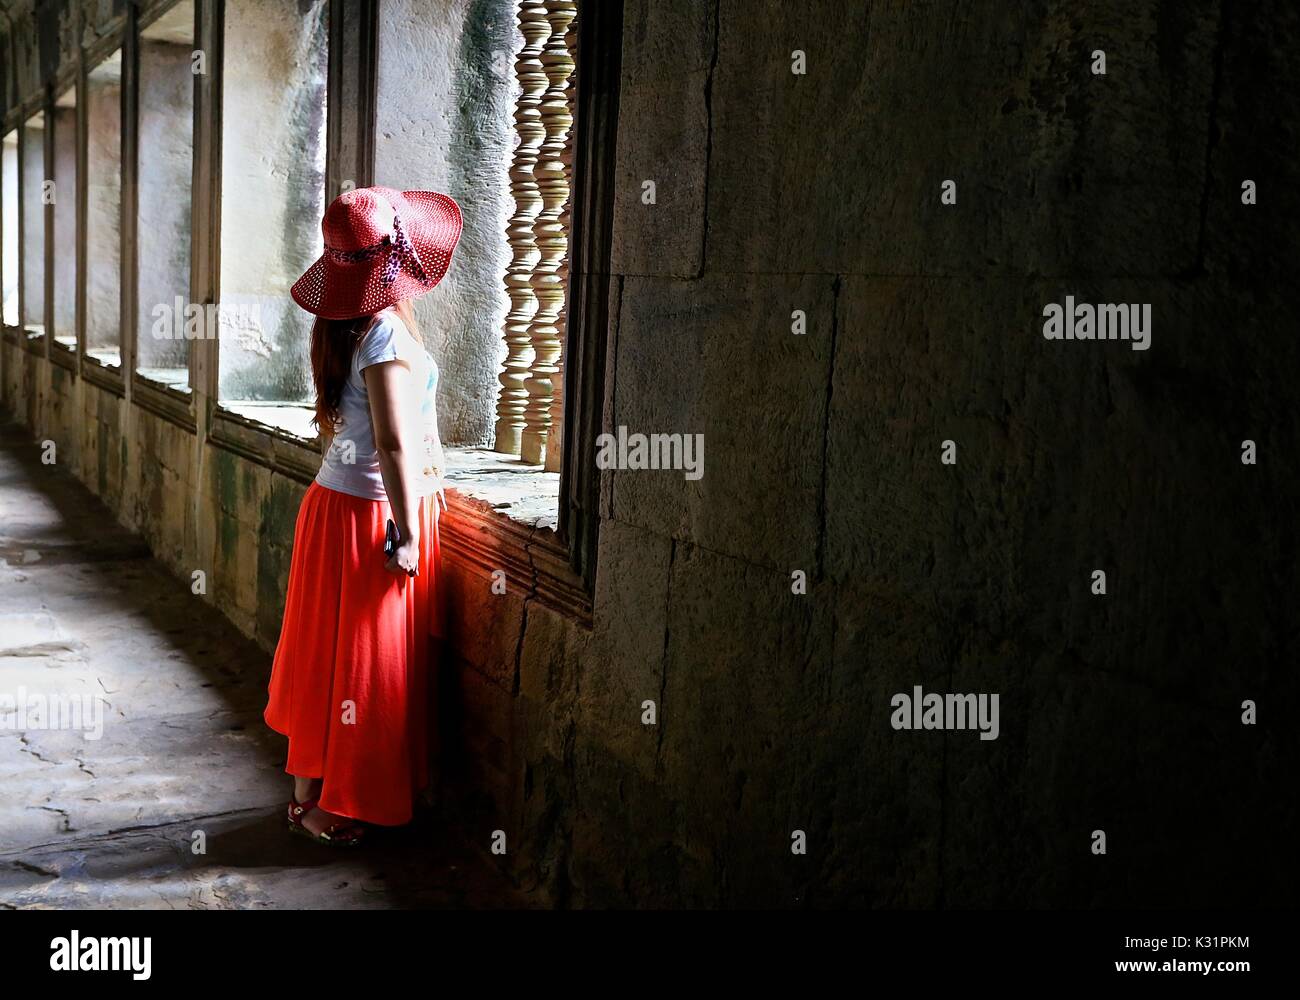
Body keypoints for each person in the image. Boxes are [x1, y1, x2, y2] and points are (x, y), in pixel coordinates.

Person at [263, 184, 463, 846]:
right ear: (396, 264)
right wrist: (407, 534)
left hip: (333, 505)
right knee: (366, 668)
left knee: (329, 655)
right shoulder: (382, 334)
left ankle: (306, 792)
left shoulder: (344, 325)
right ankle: (338, 806)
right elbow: (394, 441)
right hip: (371, 516)